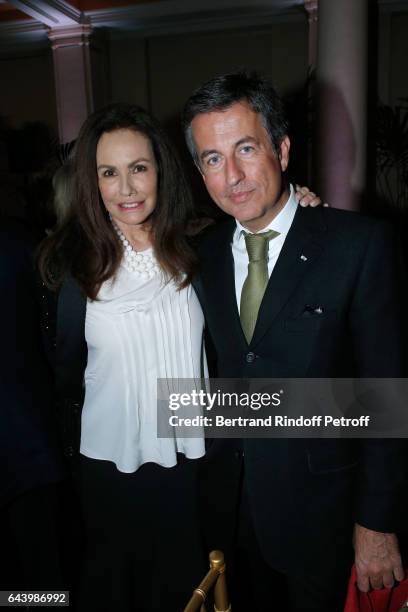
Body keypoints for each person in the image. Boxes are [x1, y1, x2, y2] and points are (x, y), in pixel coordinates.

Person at [182, 70, 407, 611]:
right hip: (230, 517)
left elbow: (388, 394)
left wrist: (376, 523)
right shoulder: (200, 257)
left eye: (245, 149)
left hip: (326, 522)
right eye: (212, 158)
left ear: (281, 150)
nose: (232, 175)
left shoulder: (359, 246)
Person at [0, 217, 66, 592]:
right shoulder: (19, 245)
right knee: (40, 578)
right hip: (29, 446)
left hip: (27, 449)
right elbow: (56, 346)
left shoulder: (18, 247)